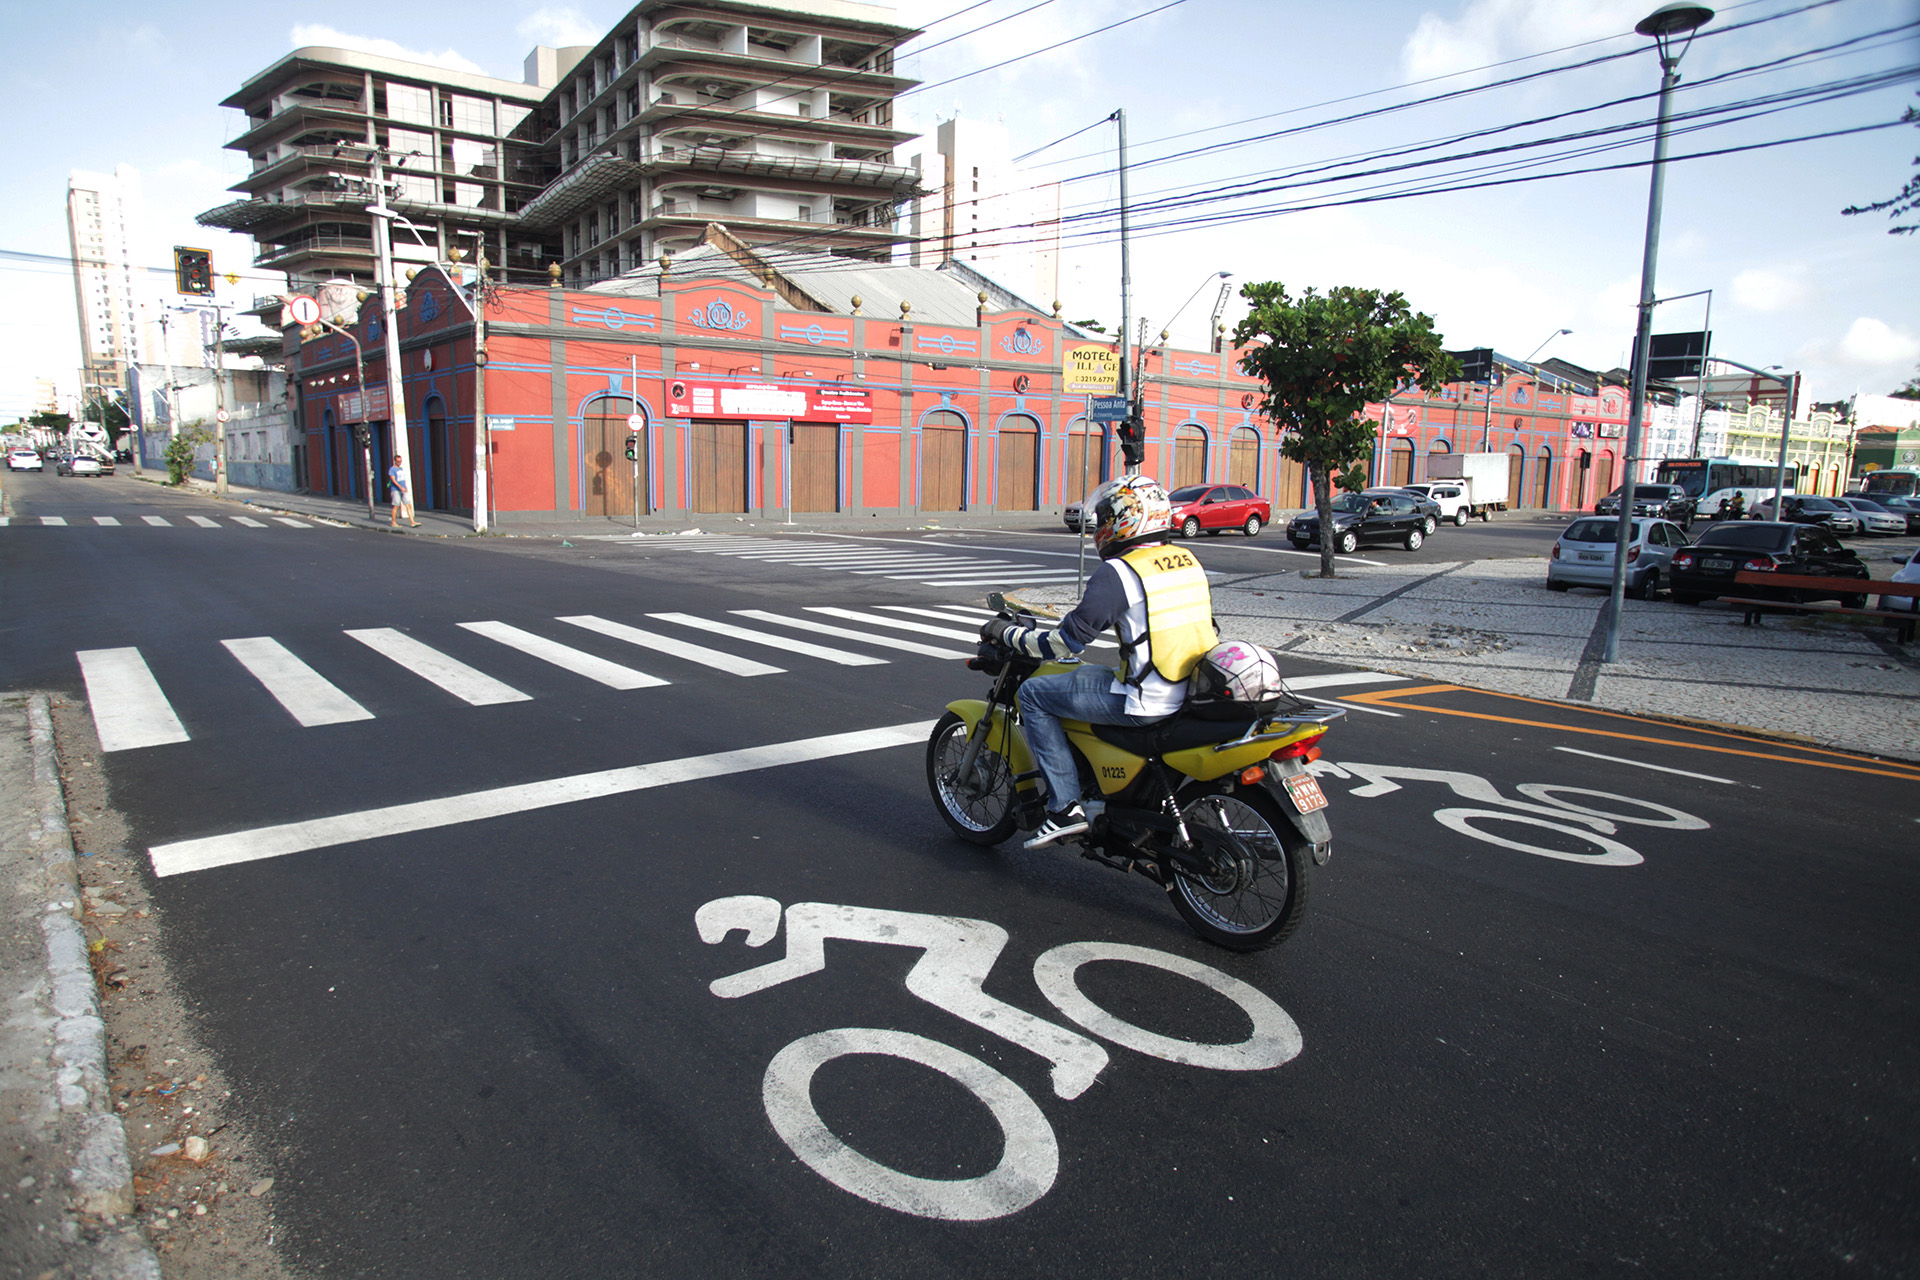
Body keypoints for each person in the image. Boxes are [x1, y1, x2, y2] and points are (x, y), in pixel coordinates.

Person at [983, 475, 1218, 848]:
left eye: (1109, 515)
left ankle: (1064, 809)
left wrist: (1009, 634)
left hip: (1148, 699)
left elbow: (1067, 642)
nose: (1104, 524)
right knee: (1087, 675)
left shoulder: (1121, 573)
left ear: (1129, 519)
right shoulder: (1187, 560)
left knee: (1033, 694)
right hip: (1190, 690)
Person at [387, 454, 417, 527]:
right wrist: (400, 487)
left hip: (403, 489)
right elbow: (393, 480)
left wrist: (405, 487)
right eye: (397, 461)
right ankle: (393, 522)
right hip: (396, 490)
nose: (399, 463)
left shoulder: (401, 469)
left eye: (400, 461)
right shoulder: (392, 469)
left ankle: (412, 522)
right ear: (394, 461)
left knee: (408, 505)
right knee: (396, 506)